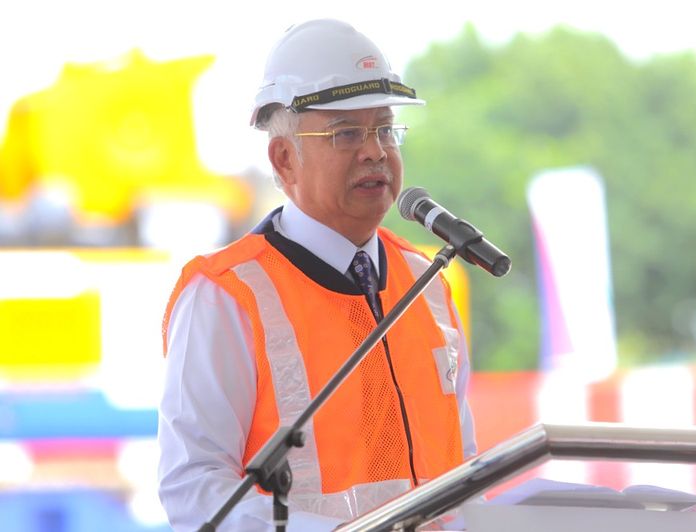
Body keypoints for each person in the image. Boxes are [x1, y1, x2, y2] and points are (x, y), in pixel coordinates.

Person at [157, 18, 477, 531]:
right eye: (346, 133)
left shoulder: (428, 281)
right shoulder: (225, 296)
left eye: (385, 129)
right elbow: (195, 491)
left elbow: (464, 465)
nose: (375, 151)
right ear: (285, 159)